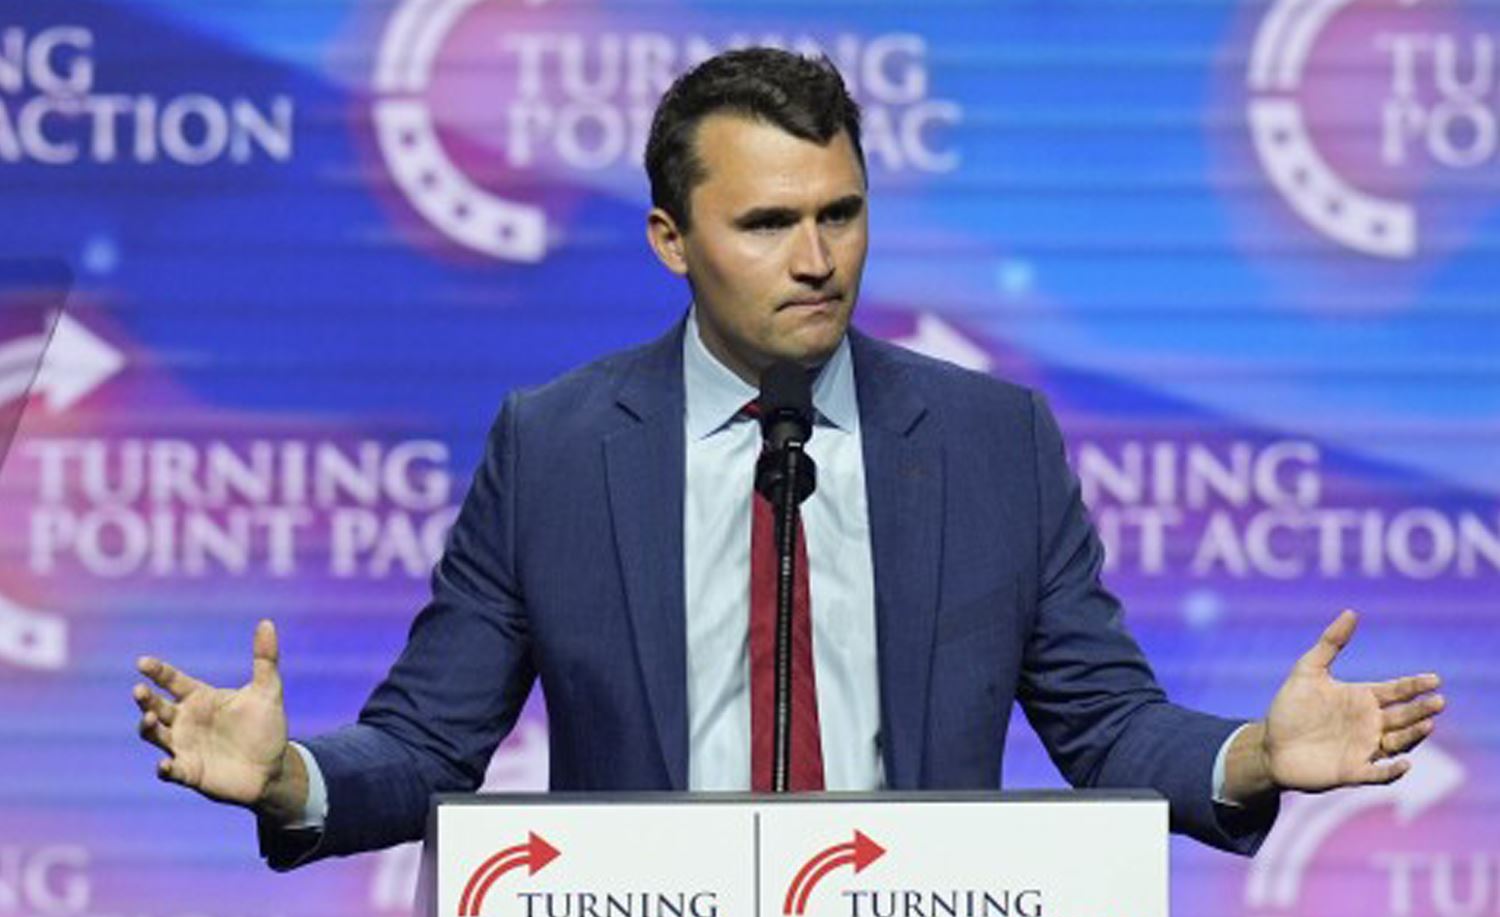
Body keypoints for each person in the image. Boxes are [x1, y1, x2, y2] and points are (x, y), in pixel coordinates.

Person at [132, 48, 1444, 869]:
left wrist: (1253, 754)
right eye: (767, 223)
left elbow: (1107, 726)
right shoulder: (558, 449)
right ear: (670, 238)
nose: (816, 260)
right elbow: (429, 739)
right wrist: (289, 777)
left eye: (842, 214)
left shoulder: (993, 442)